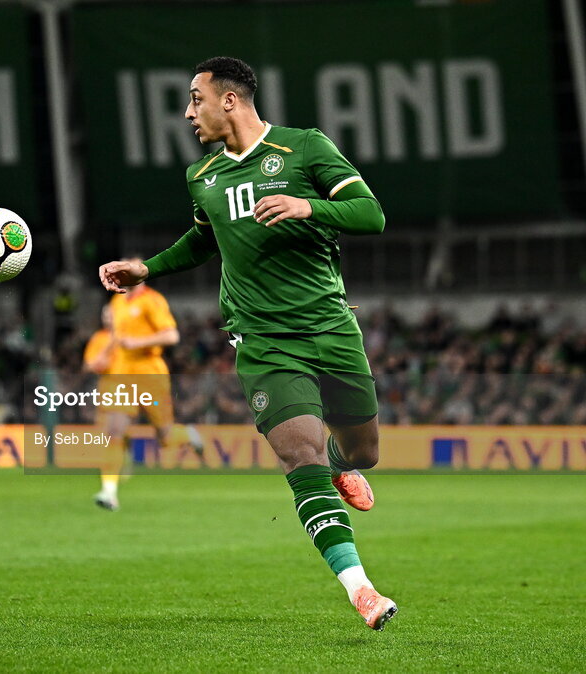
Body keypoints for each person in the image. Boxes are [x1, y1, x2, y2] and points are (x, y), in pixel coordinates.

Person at [98, 57, 396, 630]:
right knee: (299, 453)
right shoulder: (202, 175)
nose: (188, 113)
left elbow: (371, 214)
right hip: (261, 338)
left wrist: (309, 205)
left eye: (195, 99)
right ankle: (361, 589)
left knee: (363, 454)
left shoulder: (305, 149)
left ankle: (342, 466)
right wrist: (148, 268)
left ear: (228, 100)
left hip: (330, 327)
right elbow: (203, 239)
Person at [83, 280, 202, 511]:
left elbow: (171, 336)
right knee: (114, 431)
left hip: (150, 375)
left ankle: (187, 434)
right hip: (122, 381)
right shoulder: (107, 327)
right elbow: (92, 365)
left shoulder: (151, 301)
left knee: (165, 437)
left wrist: (135, 342)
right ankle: (109, 492)